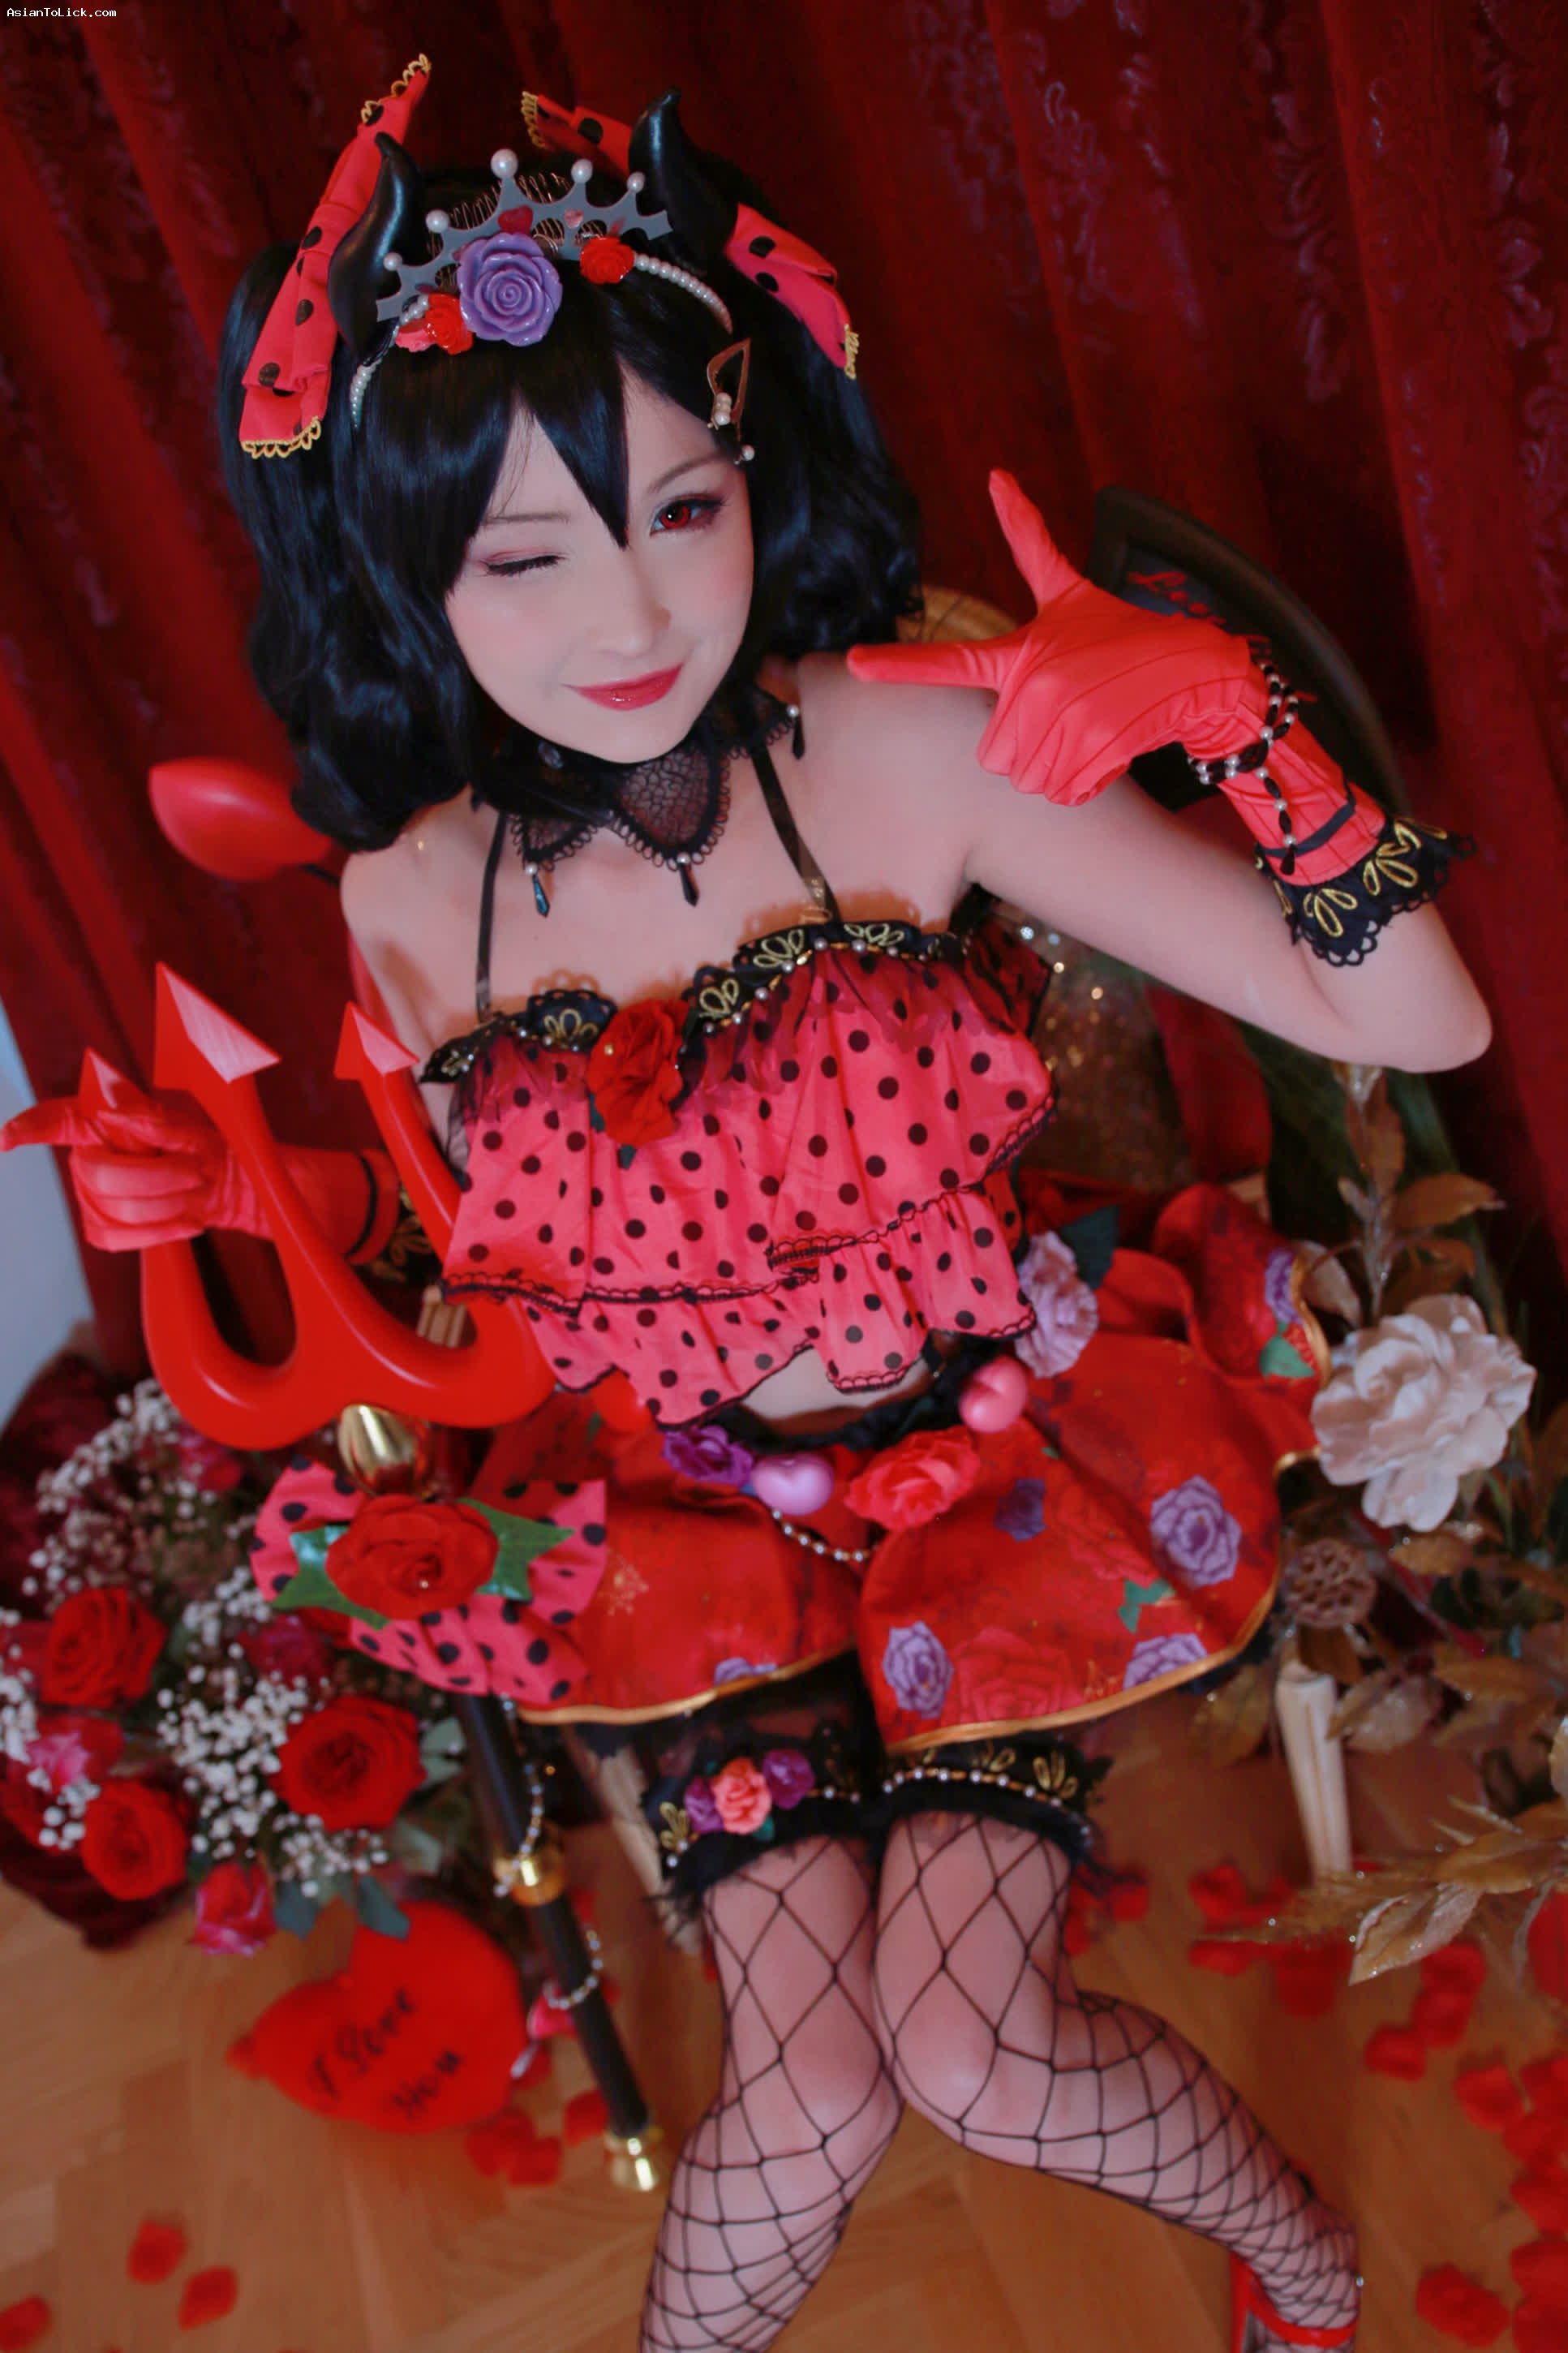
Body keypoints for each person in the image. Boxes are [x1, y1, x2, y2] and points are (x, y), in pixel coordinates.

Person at [11, 62, 1491, 2353]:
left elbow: (1414, 1014)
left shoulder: (901, 748)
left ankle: (1310, 2277)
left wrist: (1239, 721)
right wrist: (239, 1187)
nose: (628, 611)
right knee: (803, 2096)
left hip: (1004, 1472)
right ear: (406, 569)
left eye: (682, 508)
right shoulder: (412, 894)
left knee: (978, 2051)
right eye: (523, 555)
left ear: (755, 477)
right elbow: (468, 1259)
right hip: (692, 1519)